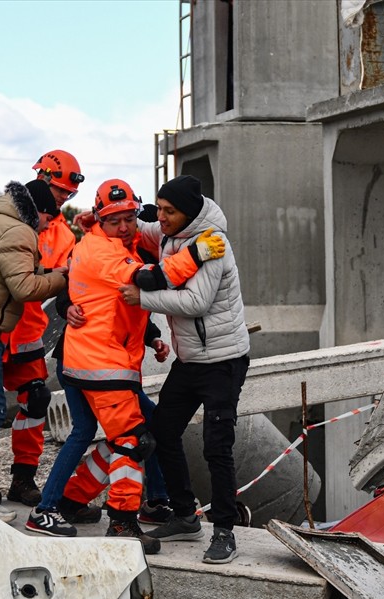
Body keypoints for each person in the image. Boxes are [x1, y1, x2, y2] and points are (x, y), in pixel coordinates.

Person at [119, 174, 250, 563]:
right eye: (158, 209)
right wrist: (114, 214)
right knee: (163, 431)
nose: (160, 217)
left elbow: (195, 302)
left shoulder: (212, 244)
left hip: (223, 361)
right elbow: (140, 228)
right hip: (191, 361)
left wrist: (142, 298)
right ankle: (184, 515)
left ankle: (224, 530)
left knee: (216, 446)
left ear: (188, 212)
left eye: (168, 211)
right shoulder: (169, 233)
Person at [0, 150, 84, 507]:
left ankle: (22, 476)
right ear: (41, 178)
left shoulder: (63, 234)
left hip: (24, 326)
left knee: (34, 399)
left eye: (68, 196)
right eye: (58, 192)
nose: (62, 200)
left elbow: (66, 281)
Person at [55, 179, 166, 553]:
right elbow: (144, 279)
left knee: (125, 439)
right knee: (134, 442)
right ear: (101, 220)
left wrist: (150, 337)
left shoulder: (117, 244)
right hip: (102, 364)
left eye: (129, 218)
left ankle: (70, 500)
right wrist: (196, 256)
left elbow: (117, 303)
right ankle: (121, 522)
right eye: (115, 219)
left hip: (101, 362)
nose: (123, 225)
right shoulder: (105, 252)